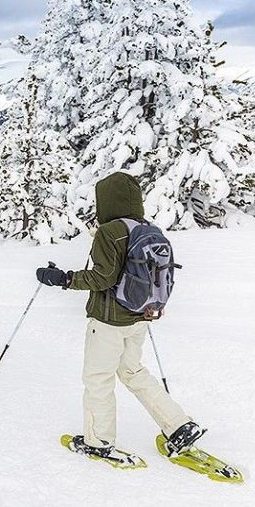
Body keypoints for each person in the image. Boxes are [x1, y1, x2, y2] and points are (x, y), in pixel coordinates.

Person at [35, 172, 205, 460]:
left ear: (107, 201)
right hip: (139, 318)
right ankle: (179, 425)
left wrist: (63, 279)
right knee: (133, 372)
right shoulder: (147, 228)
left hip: (107, 322)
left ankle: (98, 441)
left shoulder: (109, 231)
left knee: (98, 378)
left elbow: (102, 278)